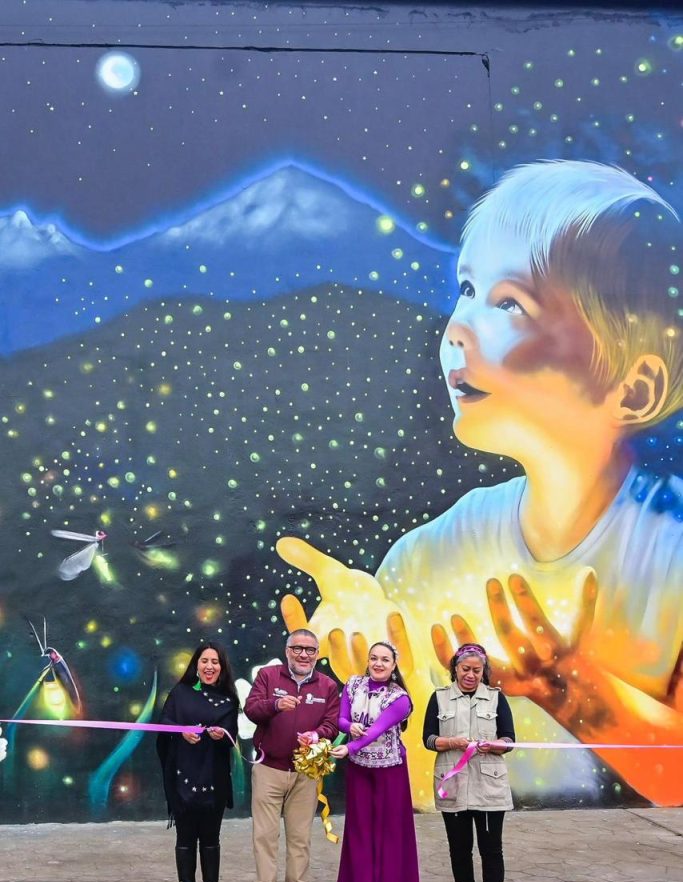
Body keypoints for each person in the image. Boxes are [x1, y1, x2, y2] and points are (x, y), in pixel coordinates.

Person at [275, 159, 683, 808]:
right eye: (466, 288)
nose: (457, 330)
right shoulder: (426, 558)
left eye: (510, 303)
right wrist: (373, 684)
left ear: (633, 387)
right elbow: (415, 779)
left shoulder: (670, 551)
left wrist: (568, 687)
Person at [243, 629, 340, 882]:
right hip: (269, 769)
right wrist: (275, 705)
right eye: (297, 648)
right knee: (264, 837)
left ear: (317, 654)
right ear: (287, 651)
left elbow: (332, 724)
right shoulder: (268, 677)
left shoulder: (327, 686)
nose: (303, 655)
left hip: (305, 773)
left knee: (299, 839)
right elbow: (251, 710)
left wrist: (317, 735)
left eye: (310, 650)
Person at [423, 642, 514, 882]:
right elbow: (428, 739)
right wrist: (452, 743)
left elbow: (509, 740)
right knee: (459, 849)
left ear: (484, 671)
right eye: (465, 669)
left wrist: (494, 745)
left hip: (489, 787)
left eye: (477, 670)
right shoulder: (439, 698)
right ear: (455, 669)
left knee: (491, 851)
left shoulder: (497, 699)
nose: (471, 675)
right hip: (453, 784)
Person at [332, 640, 421, 882]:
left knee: (390, 836)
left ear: (394, 665)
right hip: (359, 771)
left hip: (390, 772)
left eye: (385, 659)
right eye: (374, 658)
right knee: (360, 832)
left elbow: (377, 731)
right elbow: (341, 719)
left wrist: (350, 747)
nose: (378, 664)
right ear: (368, 661)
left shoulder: (400, 699)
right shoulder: (353, 685)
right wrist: (350, 727)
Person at [157, 641, 239, 882]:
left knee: (211, 840)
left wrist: (221, 735)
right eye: (205, 661)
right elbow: (164, 723)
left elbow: (232, 736)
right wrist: (181, 732)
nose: (209, 666)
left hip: (214, 779)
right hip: (183, 778)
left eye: (215, 662)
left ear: (222, 667)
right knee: (185, 840)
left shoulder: (229, 699)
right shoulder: (180, 693)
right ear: (196, 664)